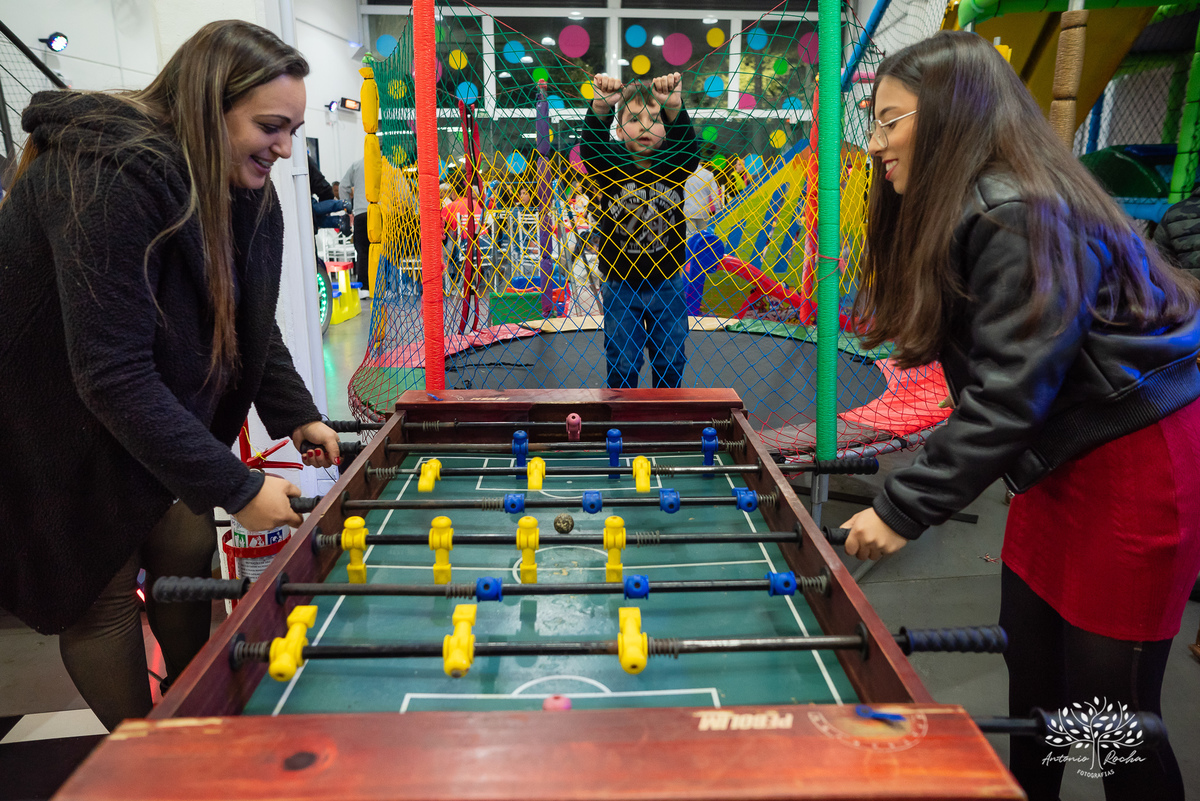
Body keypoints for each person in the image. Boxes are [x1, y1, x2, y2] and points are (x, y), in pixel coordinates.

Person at [843, 31, 1200, 800]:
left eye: (890, 120)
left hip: (1128, 463)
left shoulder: (1024, 210)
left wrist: (903, 507)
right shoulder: (974, 204)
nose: (875, 145)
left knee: (1112, 721)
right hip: (1058, 458)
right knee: (1035, 685)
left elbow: (1010, 391)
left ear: (947, 118)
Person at [0, 20, 342, 731]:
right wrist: (240, 486)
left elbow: (246, 320)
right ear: (207, 106)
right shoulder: (101, 175)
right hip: (53, 421)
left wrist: (297, 410)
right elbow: (109, 372)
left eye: (294, 128)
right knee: (102, 595)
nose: (285, 149)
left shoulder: (240, 183)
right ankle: (144, 754)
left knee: (186, 544)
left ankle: (203, 714)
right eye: (270, 126)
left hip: (148, 408)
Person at [580, 72, 699, 388]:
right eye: (634, 119)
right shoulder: (611, 164)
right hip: (621, 287)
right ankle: (623, 414)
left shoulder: (673, 163)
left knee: (671, 357)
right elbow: (590, 151)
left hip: (668, 284)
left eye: (654, 118)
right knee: (621, 358)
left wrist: (674, 107)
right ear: (619, 130)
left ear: (666, 130)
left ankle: (666, 409)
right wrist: (600, 108)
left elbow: (690, 151)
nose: (645, 125)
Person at [340, 157, 370, 297]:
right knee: (382, 251)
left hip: (361, 213)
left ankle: (364, 287)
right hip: (381, 213)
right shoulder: (386, 163)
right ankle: (384, 286)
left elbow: (343, 186)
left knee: (362, 252)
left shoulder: (357, 165)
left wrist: (348, 210)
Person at [683, 162, 720, 239]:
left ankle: (690, 251)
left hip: (688, 210)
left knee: (689, 237)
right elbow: (715, 194)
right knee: (704, 237)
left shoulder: (685, 173)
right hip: (703, 211)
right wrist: (718, 210)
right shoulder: (708, 175)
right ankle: (702, 251)